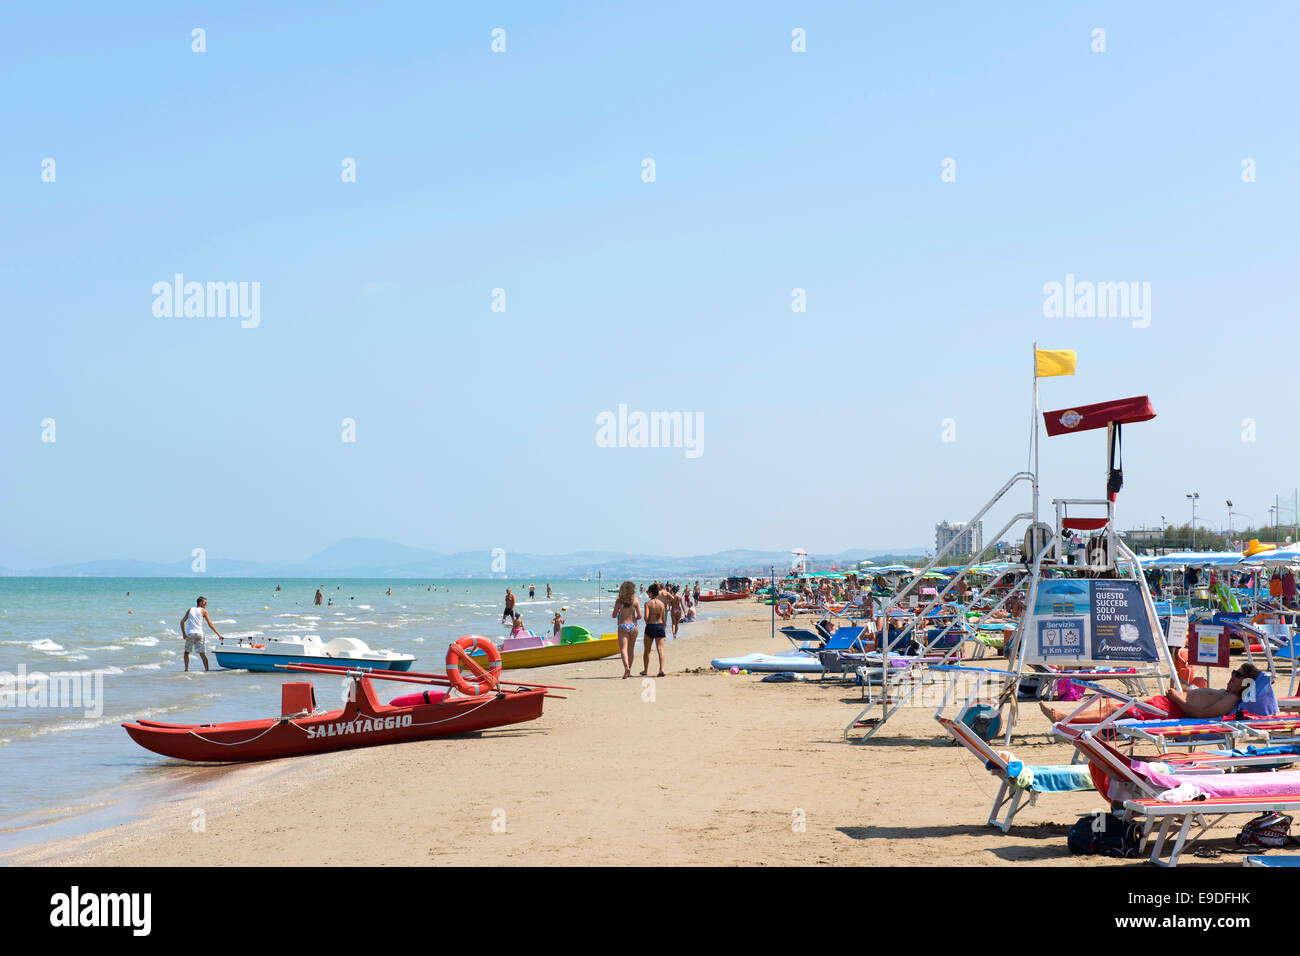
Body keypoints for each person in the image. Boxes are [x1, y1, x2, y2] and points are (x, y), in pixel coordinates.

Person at [1165, 664, 1262, 718]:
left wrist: (1176, 698)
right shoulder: (1226, 694)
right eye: (1234, 672)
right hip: (1169, 705)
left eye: (1238, 675)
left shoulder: (1232, 699)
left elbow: (1201, 714)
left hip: (1171, 708)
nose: (1232, 676)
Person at [179, 596, 224, 672]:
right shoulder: (204, 611)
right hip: (200, 634)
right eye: (205, 603)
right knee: (202, 653)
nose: (206, 605)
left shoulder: (190, 610)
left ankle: (186, 670)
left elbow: (182, 622)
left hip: (190, 634)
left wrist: (184, 633)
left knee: (187, 652)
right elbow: (210, 624)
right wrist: (218, 634)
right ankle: (207, 670)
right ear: (200, 603)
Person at [612, 580, 641, 679]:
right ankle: (629, 670)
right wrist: (633, 619)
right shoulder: (636, 601)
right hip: (634, 626)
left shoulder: (619, 601)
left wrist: (619, 612)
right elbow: (640, 616)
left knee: (623, 649)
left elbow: (614, 615)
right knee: (631, 649)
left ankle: (626, 667)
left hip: (623, 626)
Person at [642, 583, 668, 677]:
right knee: (660, 649)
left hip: (650, 626)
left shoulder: (647, 604)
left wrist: (649, 622)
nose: (647, 593)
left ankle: (645, 670)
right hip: (660, 626)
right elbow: (664, 618)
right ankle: (661, 669)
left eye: (648, 592)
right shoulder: (662, 604)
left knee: (647, 650)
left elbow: (646, 617)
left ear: (651, 593)